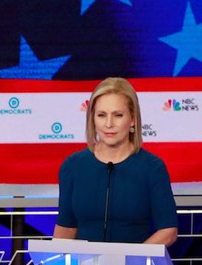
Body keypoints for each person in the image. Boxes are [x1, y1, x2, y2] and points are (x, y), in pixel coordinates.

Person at [53, 77, 178, 246]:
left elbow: (168, 231)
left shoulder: (152, 168)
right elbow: (66, 228)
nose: (109, 124)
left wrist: (131, 260)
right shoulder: (73, 166)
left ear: (132, 119)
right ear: (93, 119)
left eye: (118, 115)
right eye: (102, 115)